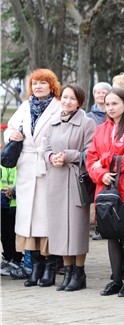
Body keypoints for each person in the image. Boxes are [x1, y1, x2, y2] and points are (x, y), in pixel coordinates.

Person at [87, 88, 124, 297]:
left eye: (115, 103)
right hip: (105, 189)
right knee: (111, 235)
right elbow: (90, 161)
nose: (110, 108)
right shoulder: (101, 129)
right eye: (107, 104)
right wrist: (101, 175)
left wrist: (103, 161)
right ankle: (115, 280)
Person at [4, 68, 62, 288]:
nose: (38, 87)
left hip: (48, 166)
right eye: (35, 83)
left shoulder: (58, 106)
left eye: (43, 83)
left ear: (51, 86)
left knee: (46, 218)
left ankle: (49, 266)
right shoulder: (25, 106)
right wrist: (11, 134)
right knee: (28, 219)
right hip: (28, 167)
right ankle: (35, 265)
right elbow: (9, 128)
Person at [42, 84, 96, 291]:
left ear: (79, 101)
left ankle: (79, 272)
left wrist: (68, 155)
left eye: (72, 98)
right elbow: (45, 148)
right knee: (59, 228)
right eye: (64, 97)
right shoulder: (53, 123)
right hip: (56, 179)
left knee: (76, 229)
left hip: (75, 180)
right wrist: (51, 157)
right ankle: (67, 270)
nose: (67, 101)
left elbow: (91, 152)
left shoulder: (86, 123)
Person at [1, 161, 22, 276]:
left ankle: (17, 259)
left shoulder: (19, 160)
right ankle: (7, 258)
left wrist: (12, 189)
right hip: (2, 202)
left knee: (13, 233)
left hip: (15, 203)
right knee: (4, 234)